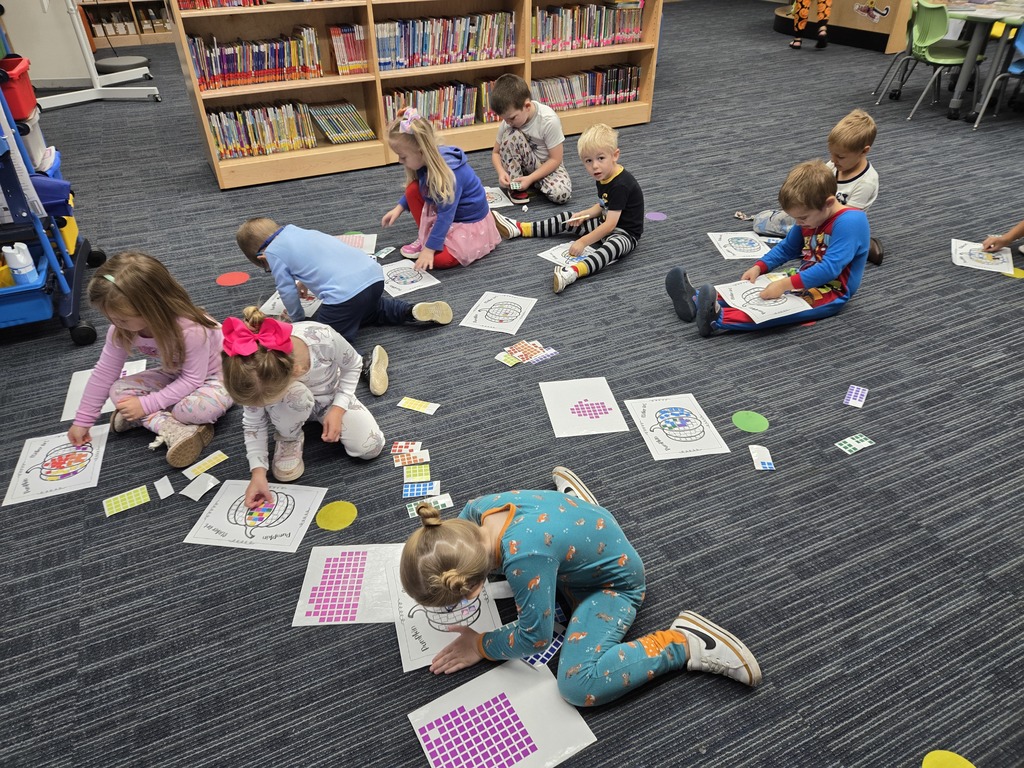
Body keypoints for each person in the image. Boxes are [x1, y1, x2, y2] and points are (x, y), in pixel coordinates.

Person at [399, 467, 761, 707]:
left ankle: (683, 643)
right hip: (583, 526)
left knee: (577, 686)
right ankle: (577, 504)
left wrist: (480, 644)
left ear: (473, 590)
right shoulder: (475, 511)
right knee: (550, 541)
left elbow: (535, 638)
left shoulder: (524, 560)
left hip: (614, 585)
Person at [236, 217, 454, 397]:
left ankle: (364, 362)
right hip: (373, 277)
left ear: (261, 257)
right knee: (373, 309)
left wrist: (299, 320)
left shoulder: (272, 253)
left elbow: (286, 291)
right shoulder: (296, 230)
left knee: (325, 339)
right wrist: (304, 281)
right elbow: (322, 256)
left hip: (344, 296)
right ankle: (409, 311)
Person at [667, 159, 869, 336]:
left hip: (833, 290)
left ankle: (717, 319)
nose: (799, 224)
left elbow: (830, 269)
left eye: (802, 218)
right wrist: (760, 266)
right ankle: (695, 299)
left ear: (829, 203)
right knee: (756, 288)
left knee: (777, 309)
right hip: (802, 275)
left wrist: (784, 285)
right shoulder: (810, 218)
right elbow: (787, 248)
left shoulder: (851, 222)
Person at [66, 252, 232, 468]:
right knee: (118, 390)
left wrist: (145, 405)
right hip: (177, 373)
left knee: (195, 410)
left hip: (221, 374)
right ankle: (173, 428)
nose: (115, 323)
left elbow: (193, 379)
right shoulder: (121, 330)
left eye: (122, 319)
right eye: (109, 317)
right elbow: (104, 373)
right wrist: (83, 420)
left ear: (152, 309)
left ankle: (152, 418)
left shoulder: (190, 329)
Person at [220, 308, 384, 508]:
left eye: (266, 404)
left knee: (370, 447)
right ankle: (289, 436)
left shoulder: (323, 338)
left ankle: (306, 413)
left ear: (295, 372)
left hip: (331, 397)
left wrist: (338, 408)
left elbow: (354, 365)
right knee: (296, 395)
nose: (261, 409)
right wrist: (258, 471)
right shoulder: (250, 371)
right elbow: (253, 423)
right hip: (291, 406)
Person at [491, 123, 644, 294]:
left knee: (609, 250)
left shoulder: (621, 184)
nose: (594, 166)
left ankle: (573, 272)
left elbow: (610, 225)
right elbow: (604, 205)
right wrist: (585, 214)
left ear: (615, 155)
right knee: (569, 218)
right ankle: (521, 228)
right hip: (605, 223)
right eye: (588, 161)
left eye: (601, 158)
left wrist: (583, 242)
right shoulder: (603, 175)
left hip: (624, 234)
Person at [742, 109, 884, 265]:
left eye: (840, 156)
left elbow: (848, 219)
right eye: (831, 153)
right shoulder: (833, 166)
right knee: (761, 223)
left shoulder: (866, 182)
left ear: (864, 151)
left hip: (836, 226)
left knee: (817, 251)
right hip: (814, 214)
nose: (833, 160)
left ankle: (863, 245)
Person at [381, 107, 501, 270]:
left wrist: (429, 250)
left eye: (403, 156)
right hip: (448, 212)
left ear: (421, 152)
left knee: (439, 260)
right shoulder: (426, 160)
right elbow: (420, 186)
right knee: (412, 190)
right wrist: (399, 208)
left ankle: (430, 242)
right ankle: (425, 238)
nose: (400, 161)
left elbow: (446, 216)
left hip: (466, 222)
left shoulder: (449, 174)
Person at [488, 73, 572, 205]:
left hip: (547, 166)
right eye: (504, 119)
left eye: (512, 118)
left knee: (562, 194)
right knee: (510, 135)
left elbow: (556, 159)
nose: (508, 122)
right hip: (524, 165)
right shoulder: (508, 123)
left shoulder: (548, 120)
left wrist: (531, 178)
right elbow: (496, 153)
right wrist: (501, 172)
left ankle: (532, 182)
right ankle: (517, 185)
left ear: (527, 106)